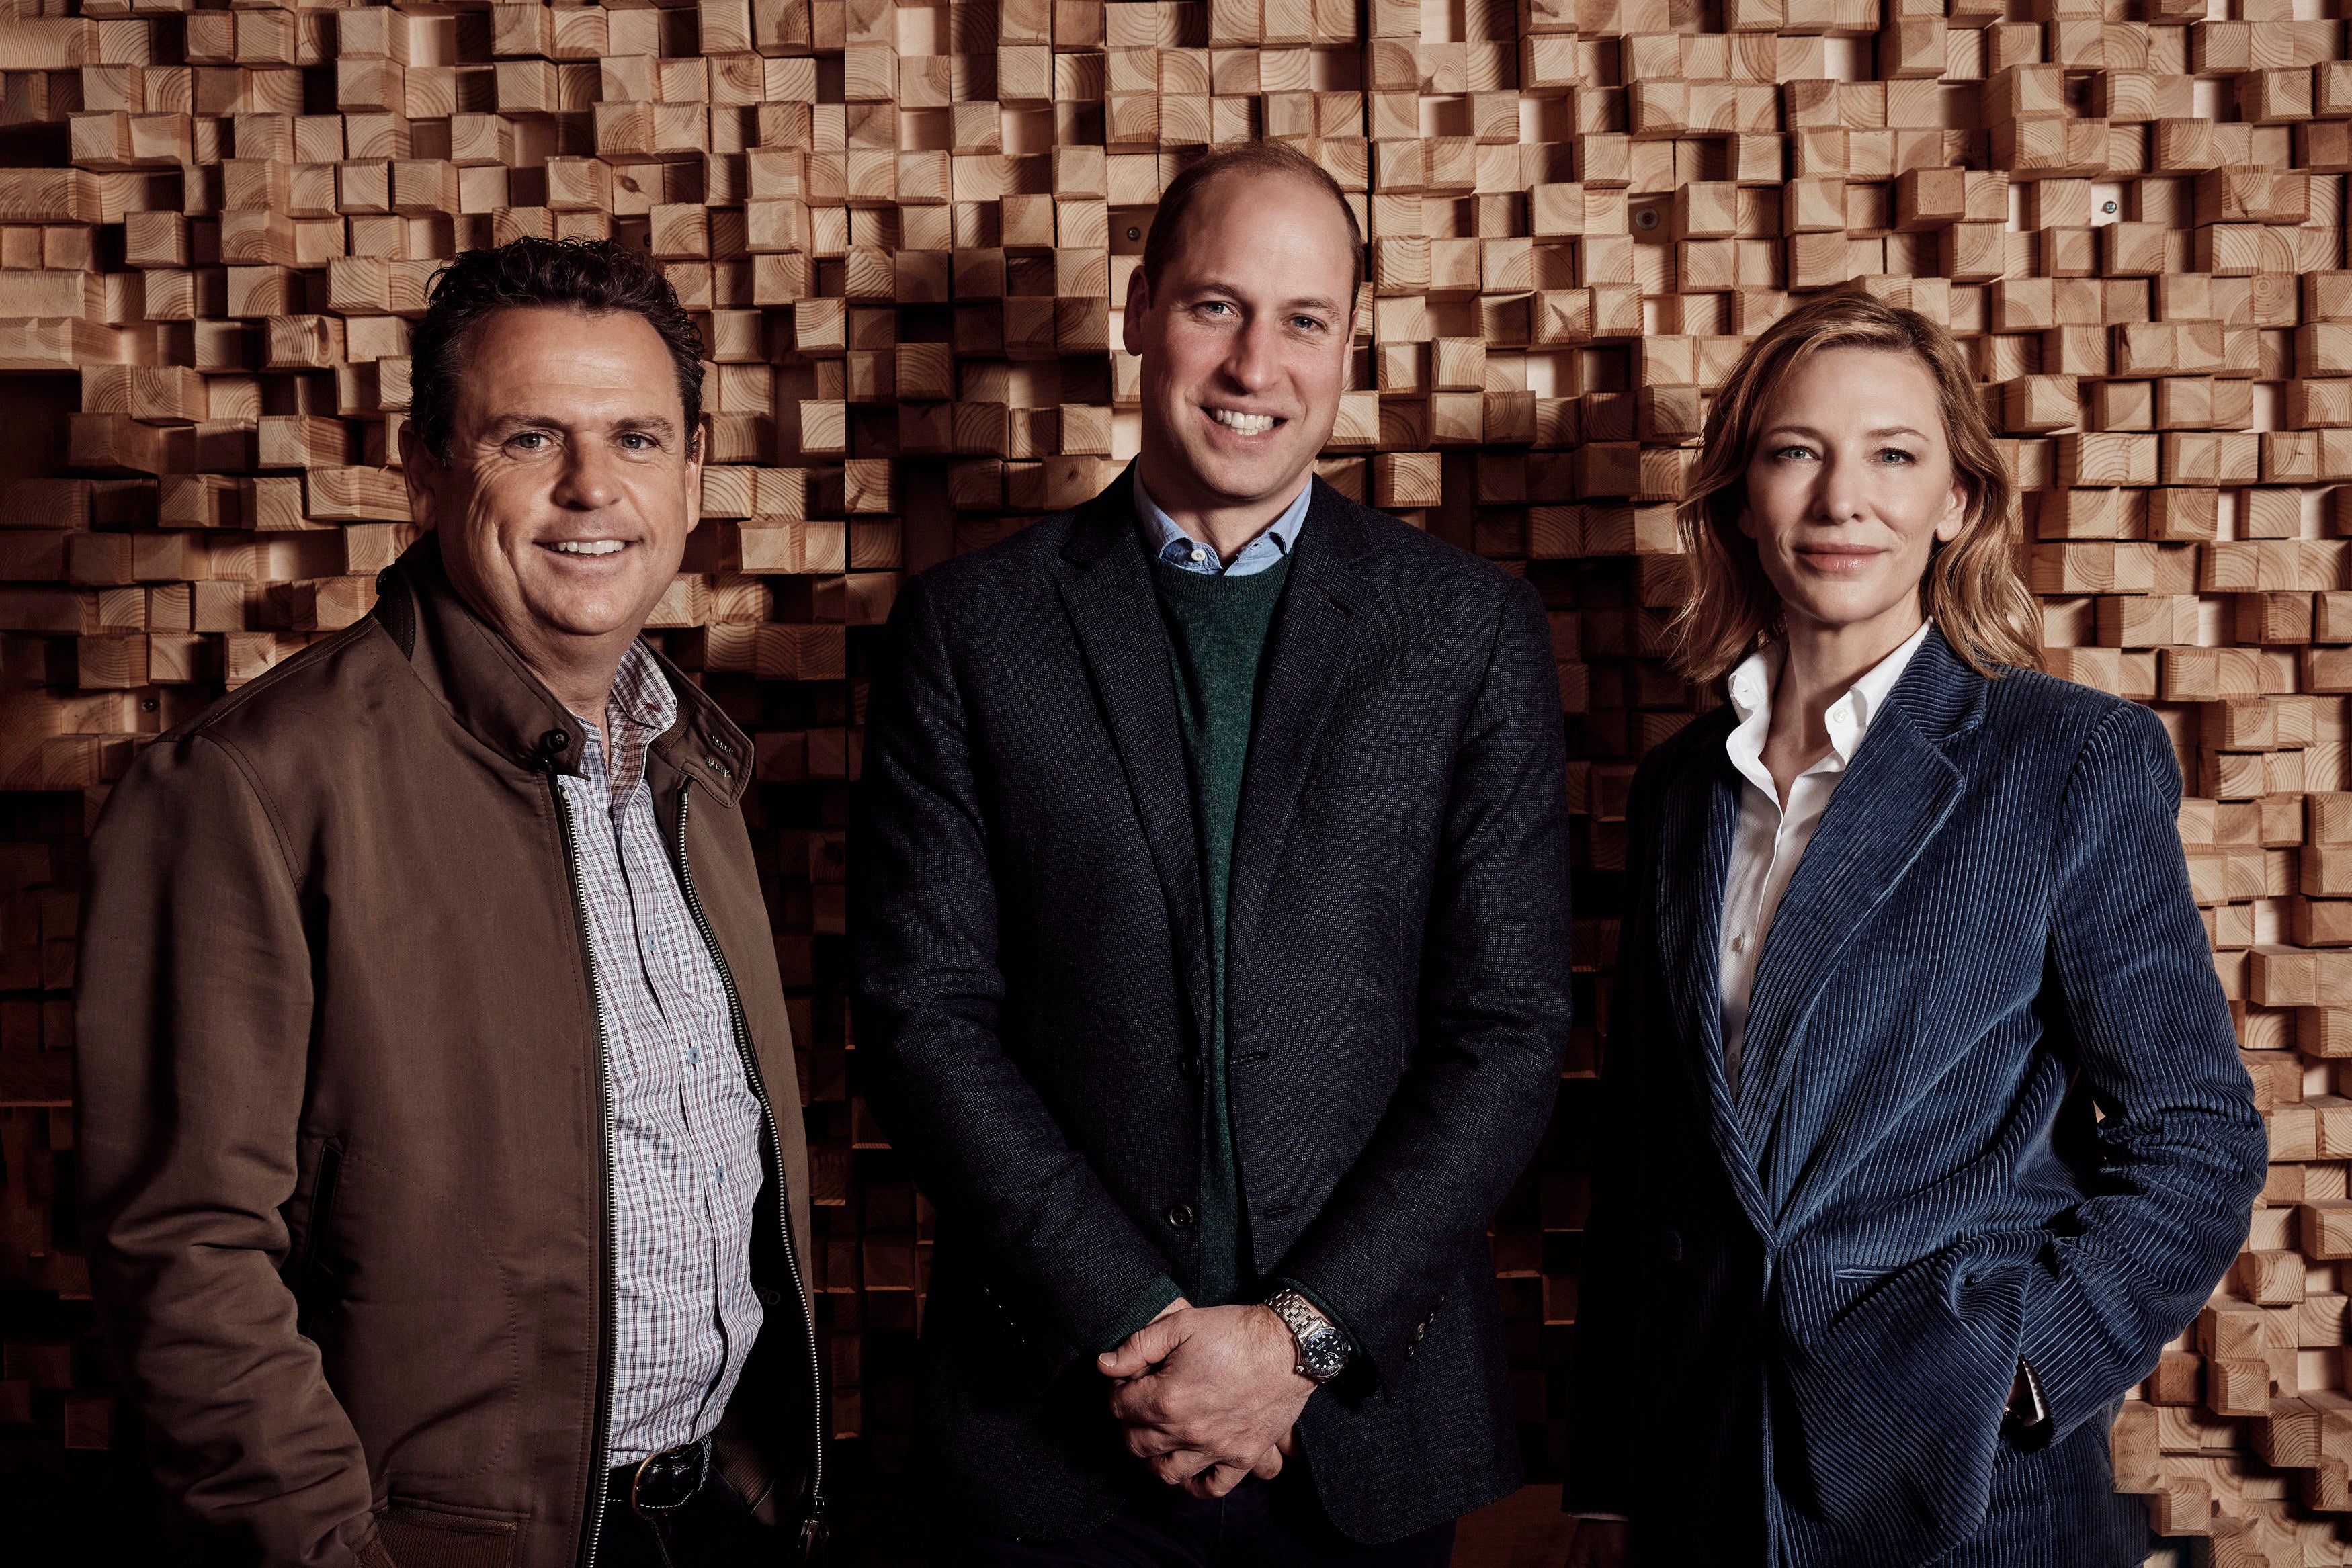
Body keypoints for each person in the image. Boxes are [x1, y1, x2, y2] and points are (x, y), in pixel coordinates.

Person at [849, 142, 1576, 1564]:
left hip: (1359, 1429)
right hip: (1055, 1420)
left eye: (1304, 321)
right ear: (1136, 311)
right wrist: (1135, 1320)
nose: (1255, 362)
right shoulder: (969, 633)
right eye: (1214, 306)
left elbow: (1505, 1029)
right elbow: (920, 1017)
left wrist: (1298, 1340)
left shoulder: (1467, 635)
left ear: (1349, 349)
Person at [75, 238, 824, 1568]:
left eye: (637, 438)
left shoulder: (693, 772)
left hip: (712, 1517)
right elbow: (185, 1252)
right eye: (531, 437)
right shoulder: (250, 787)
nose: (593, 488)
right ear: (422, 468)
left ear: (695, 473)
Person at [1562, 290, 2268, 1567]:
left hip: (1968, 1494)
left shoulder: (2067, 758)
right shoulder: (1678, 792)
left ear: (1957, 501)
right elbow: (1645, 1158)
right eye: (1796, 452)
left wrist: (2015, 1374)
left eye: (1894, 455)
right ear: (1738, 493)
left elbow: (2197, 1137)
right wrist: (1614, 1484)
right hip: (1703, 1486)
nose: (1844, 501)